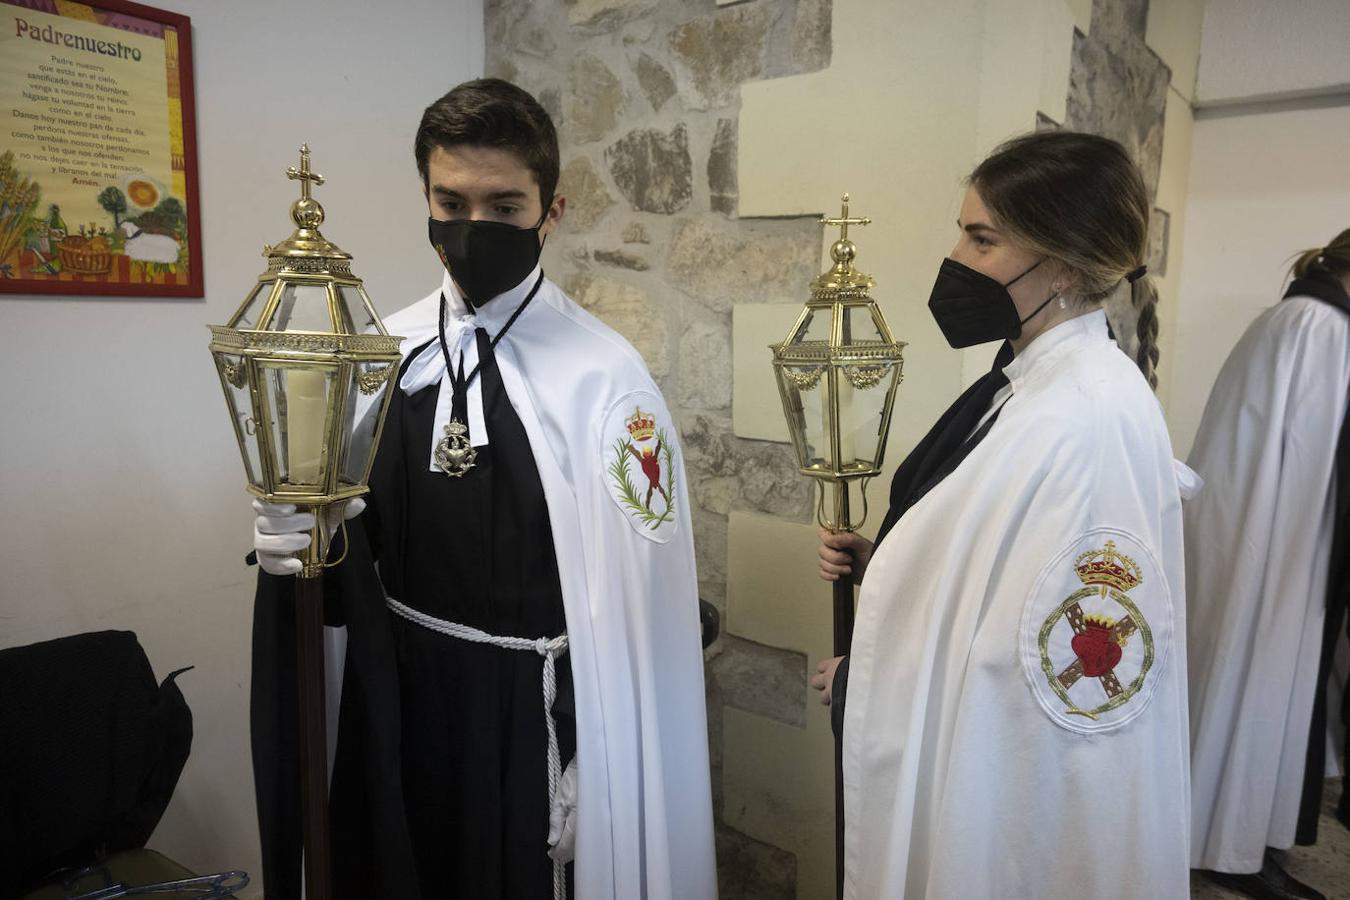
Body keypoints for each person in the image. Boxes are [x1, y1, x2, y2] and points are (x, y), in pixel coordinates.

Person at [248, 79, 717, 900]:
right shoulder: (379, 351)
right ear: (426, 198)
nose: (474, 230)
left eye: (504, 207)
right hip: (396, 701)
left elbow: (642, 611)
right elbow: (349, 546)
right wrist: (300, 543)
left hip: (526, 720)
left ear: (553, 210)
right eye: (451, 202)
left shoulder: (604, 379)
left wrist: (598, 761)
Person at [811, 132, 1194, 898]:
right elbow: (993, 558)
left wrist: (871, 671)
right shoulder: (1032, 382)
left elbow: (1042, 668)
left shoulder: (1083, 419)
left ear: (1060, 259)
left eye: (980, 238)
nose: (954, 255)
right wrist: (887, 561)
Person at [1186, 229, 1350, 900]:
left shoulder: (1291, 316)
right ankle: (1231, 847)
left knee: (1237, 682)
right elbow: (1315, 462)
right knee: (1256, 685)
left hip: (1257, 530)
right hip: (1281, 539)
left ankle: (1236, 834)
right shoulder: (1320, 327)